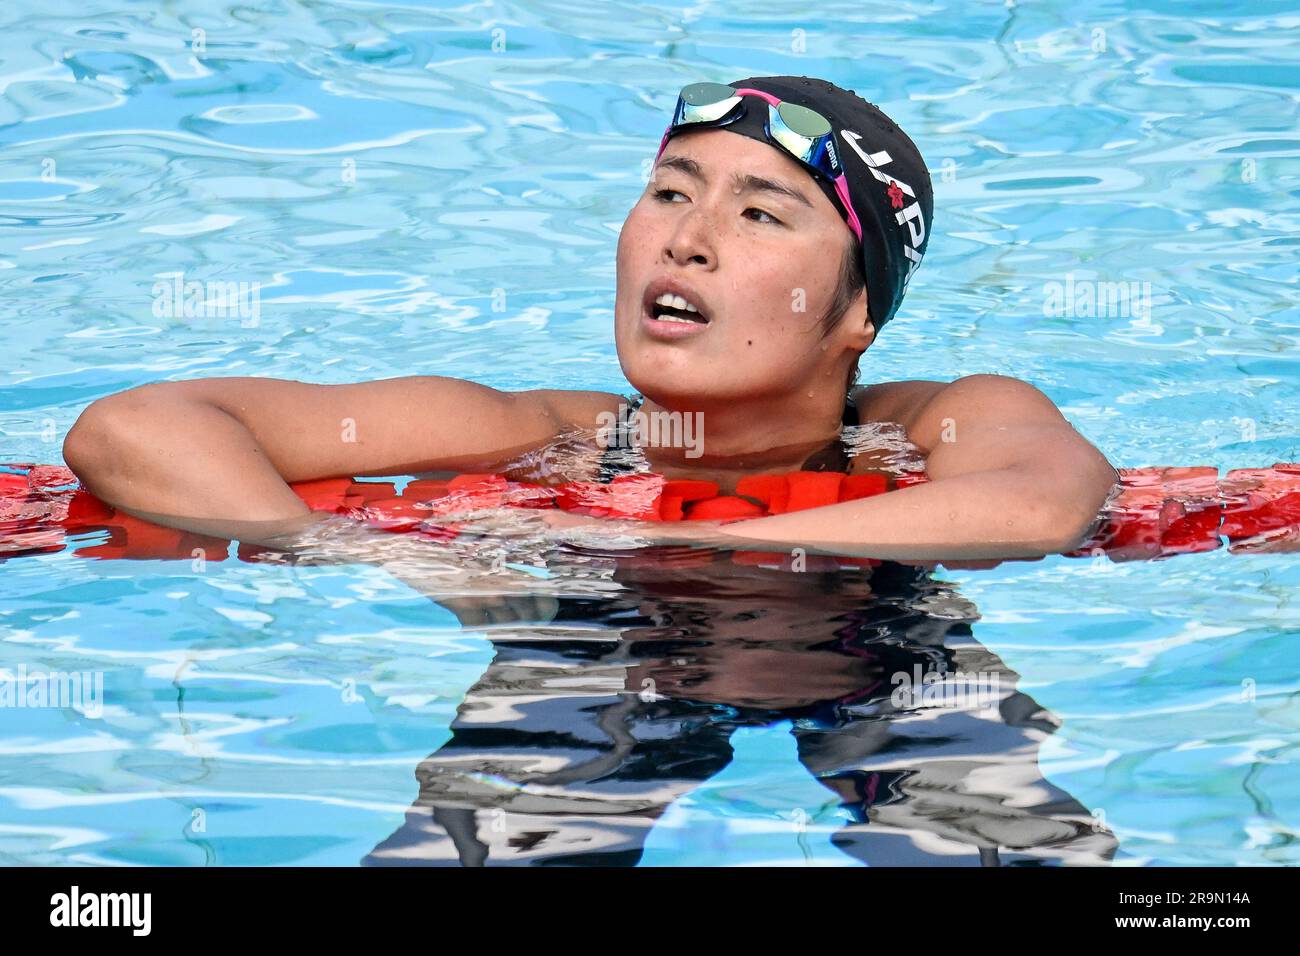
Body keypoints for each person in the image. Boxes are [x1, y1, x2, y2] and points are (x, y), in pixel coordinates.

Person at [61, 75, 1120, 564]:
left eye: (759, 212)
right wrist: (364, 551)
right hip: (595, 650)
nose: (686, 237)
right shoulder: (548, 431)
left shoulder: (941, 421)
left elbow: (1037, 507)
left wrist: (636, 542)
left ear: (855, 314)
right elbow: (133, 428)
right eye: (670, 191)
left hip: (882, 655)